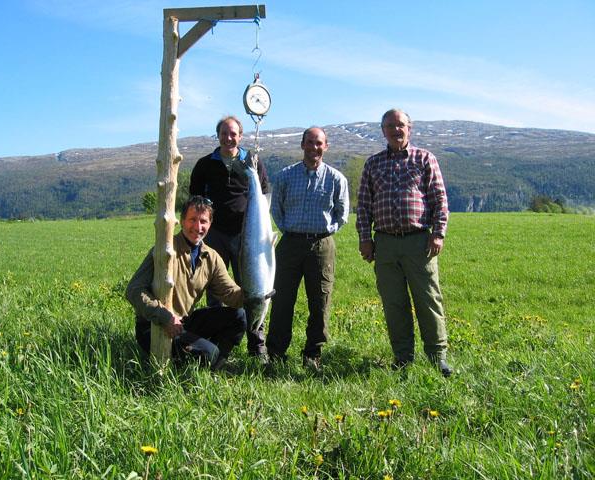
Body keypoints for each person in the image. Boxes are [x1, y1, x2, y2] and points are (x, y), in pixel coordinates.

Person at [356, 108, 453, 377]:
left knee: (428, 299)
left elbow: (439, 200)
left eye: (400, 125)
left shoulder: (425, 159)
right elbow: (363, 205)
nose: (396, 130)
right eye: (390, 126)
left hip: (419, 242)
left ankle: (437, 356)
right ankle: (402, 357)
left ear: (410, 128)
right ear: (383, 130)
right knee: (394, 303)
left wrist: (438, 233)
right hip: (385, 244)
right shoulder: (373, 164)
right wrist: (365, 238)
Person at [125, 195, 246, 370]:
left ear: (210, 224)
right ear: (181, 221)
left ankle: (215, 366)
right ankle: (195, 360)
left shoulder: (211, 257)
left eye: (203, 221)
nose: (198, 227)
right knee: (209, 353)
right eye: (192, 220)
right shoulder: (165, 250)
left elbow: (231, 295)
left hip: (184, 323)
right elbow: (134, 290)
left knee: (239, 316)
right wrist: (164, 316)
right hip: (154, 326)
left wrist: (255, 294)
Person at [265, 127, 349, 371]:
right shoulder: (285, 176)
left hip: (322, 245)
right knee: (281, 300)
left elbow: (342, 214)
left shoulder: (336, 179)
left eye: (319, 143)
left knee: (320, 301)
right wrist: (289, 230)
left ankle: (313, 353)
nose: (314, 147)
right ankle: (276, 353)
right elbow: (276, 209)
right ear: (302, 145)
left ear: (326, 146)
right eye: (310, 142)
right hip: (290, 244)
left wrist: (326, 231)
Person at [189, 116, 270, 361]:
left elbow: (265, 191)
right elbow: (195, 197)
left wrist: (261, 226)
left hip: (248, 238)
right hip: (215, 236)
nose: (228, 138)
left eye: (233, 133)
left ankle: (257, 345)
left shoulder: (252, 161)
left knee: (253, 287)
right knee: (217, 288)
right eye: (224, 133)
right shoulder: (205, 164)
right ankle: (217, 344)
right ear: (218, 135)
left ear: (241, 136)